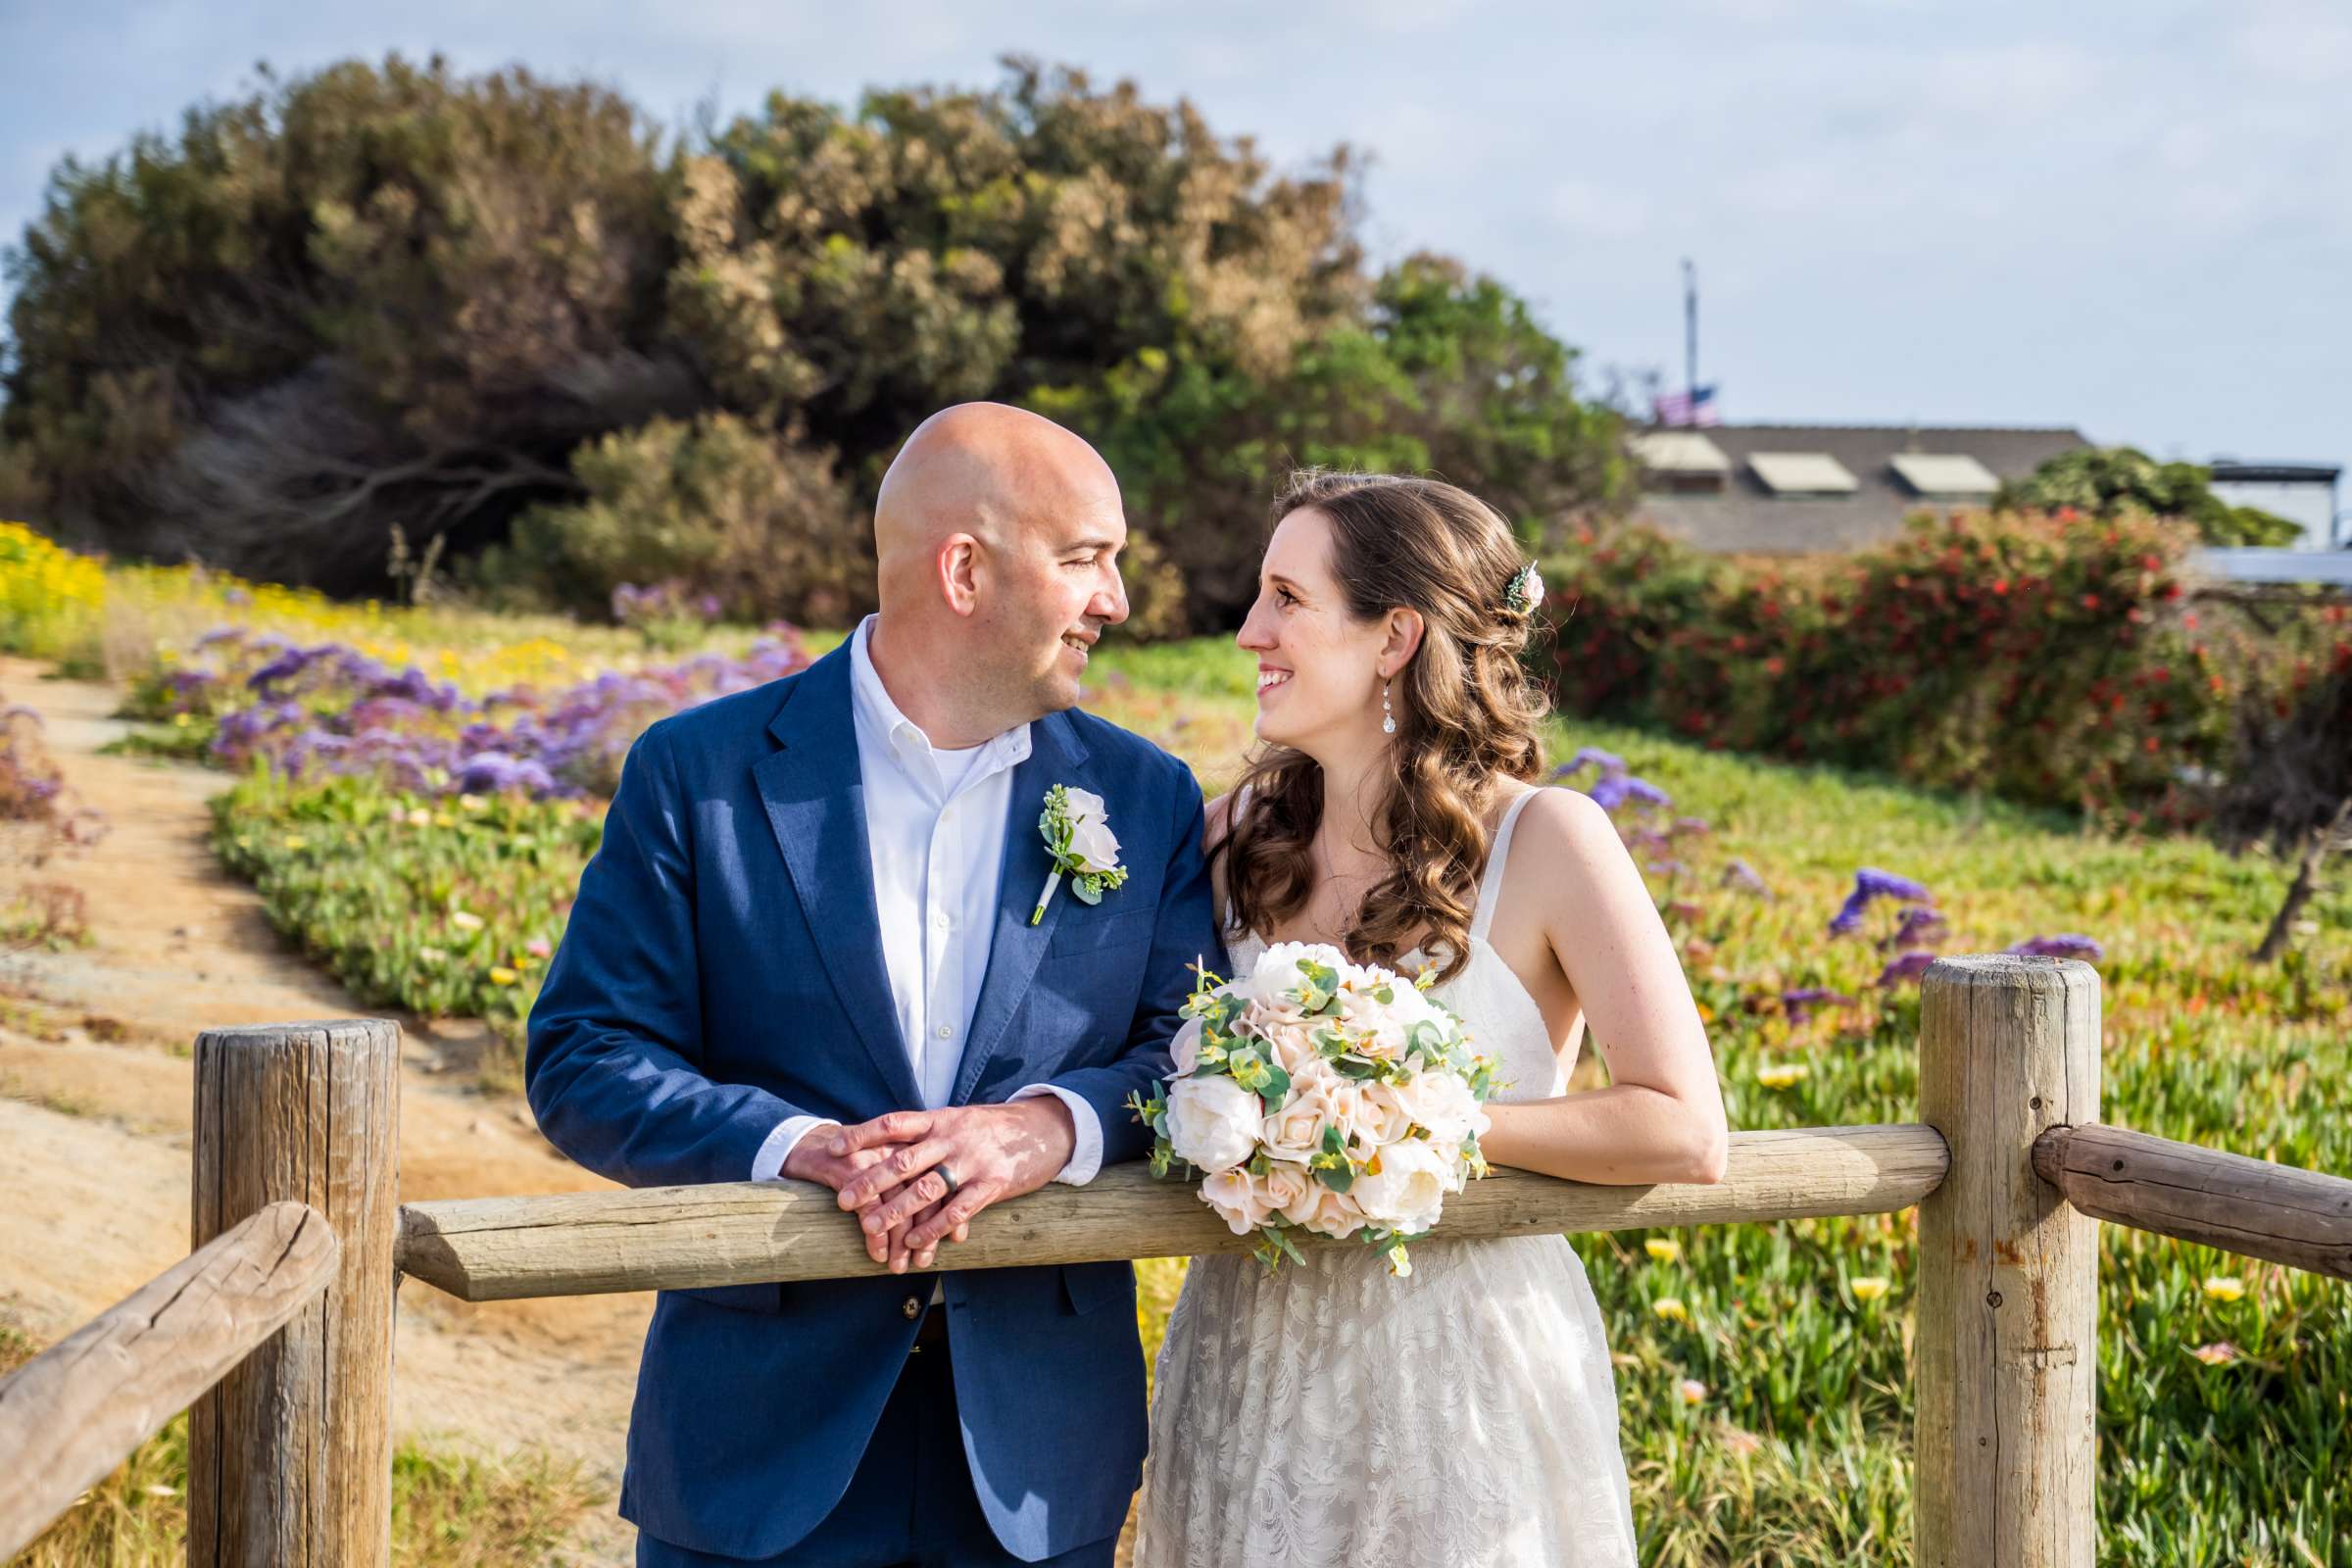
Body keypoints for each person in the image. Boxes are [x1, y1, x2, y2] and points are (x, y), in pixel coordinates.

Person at [525, 403, 1224, 1567]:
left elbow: (1190, 1051)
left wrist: (1045, 1130)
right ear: (964, 569)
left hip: (1035, 1462)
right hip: (755, 1446)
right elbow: (586, 1054)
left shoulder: (1146, 798)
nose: (1119, 601)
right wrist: (796, 1144)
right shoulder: (698, 772)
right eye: (1087, 559)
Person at [1135, 470, 1730, 1567]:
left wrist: (1397, 1119)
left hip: (1463, 1370)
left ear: (1394, 635)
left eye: (1286, 598)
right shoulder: (1227, 836)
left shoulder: (1550, 841)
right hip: (1248, 1358)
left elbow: (1683, 1127)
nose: (1249, 631)